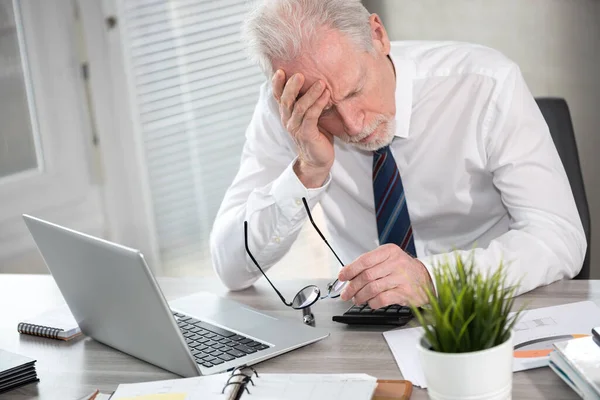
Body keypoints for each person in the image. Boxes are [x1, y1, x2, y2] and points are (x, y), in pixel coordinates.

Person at [209, 0, 586, 309]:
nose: (354, 125)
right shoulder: (287, 112)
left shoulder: (485, 85)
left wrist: (433, 279)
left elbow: (560, 238)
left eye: (355, 91)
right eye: (325, 110)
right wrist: (306, 172)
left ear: (378, 36)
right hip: (365, 325)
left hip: (492, 307)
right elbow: (230, 268)